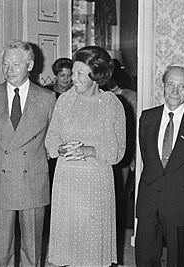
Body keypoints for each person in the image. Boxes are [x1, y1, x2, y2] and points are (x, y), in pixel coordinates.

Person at [0, 40, 56, 266]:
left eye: (16, 64)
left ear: (30, 65)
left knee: (32, 247)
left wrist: (34, 159)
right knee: (2, 249)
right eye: (5, 64)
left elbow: (51, 141)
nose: (9, 70)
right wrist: (0, 158)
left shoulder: (47, 99)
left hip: (32, 179)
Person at [45, 45, 126, 266]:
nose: (74, 78)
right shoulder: (64, 100)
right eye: (73, 73)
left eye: (80, 73)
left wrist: (87, 150)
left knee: (91, 246)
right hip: (67, 179)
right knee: (68, 244)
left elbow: (117, 152)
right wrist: (63, 149)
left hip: (95, 183)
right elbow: (51, 140)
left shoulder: (111, 104)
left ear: (96, 75)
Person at [135, 65, 184, 266]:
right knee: (144, 257)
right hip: (148, 199)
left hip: (181, 202)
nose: (175, 91)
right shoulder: (147, 118)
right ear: (163, 86)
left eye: (181, 86)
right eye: (170, 84)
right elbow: (147, 158)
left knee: (177, 259)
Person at [106, 66, 137, 228]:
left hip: (123, 154)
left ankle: (118, 226)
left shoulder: (131, 96)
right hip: (103, 154)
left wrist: (133, 157)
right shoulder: (102, 97)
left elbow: (134, 129)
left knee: (120, 193)